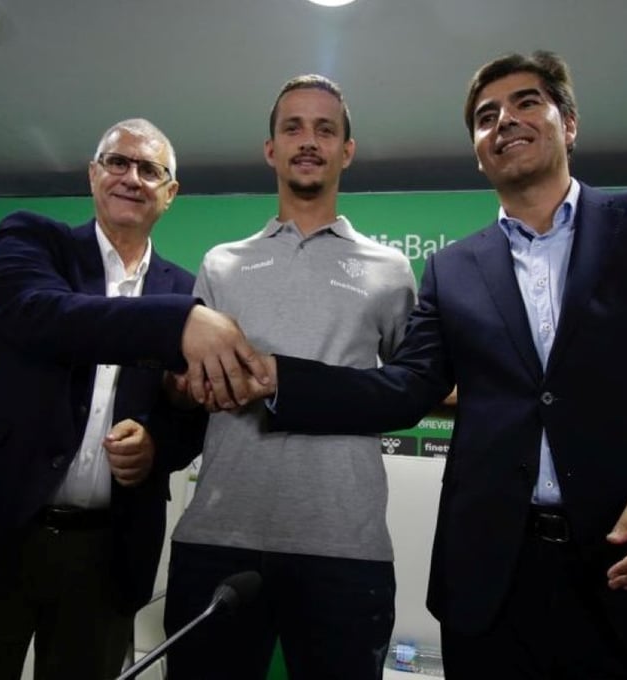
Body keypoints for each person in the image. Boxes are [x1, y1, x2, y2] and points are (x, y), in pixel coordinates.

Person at [253, 52, 627, 679]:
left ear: (570, 123)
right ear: (478, 151)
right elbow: (407, 388)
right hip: (496, 591)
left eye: (526, 103)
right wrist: (273, 378)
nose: (505, 120)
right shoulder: (453, 269)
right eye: (486, 116)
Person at [0, 118, 255, 679]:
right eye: (117, 162)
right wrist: (179, 323)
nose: (131, 177)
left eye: (150, 169)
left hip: (107, 553)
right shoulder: (34, 239)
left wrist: (157, 442)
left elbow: (191, 419)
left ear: (171, 193)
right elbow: (41, 316)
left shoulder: (187, 290)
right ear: (93, 174)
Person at [162, 75, 416, 680]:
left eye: (325, 130)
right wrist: (185, 385)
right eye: (293, 128)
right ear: (270, 148)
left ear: (346, 151)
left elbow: (411, 389)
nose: (308, 141)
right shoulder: (221, 263)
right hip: (217, 536)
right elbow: (184, 387)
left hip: (346, 544)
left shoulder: (391, 269)